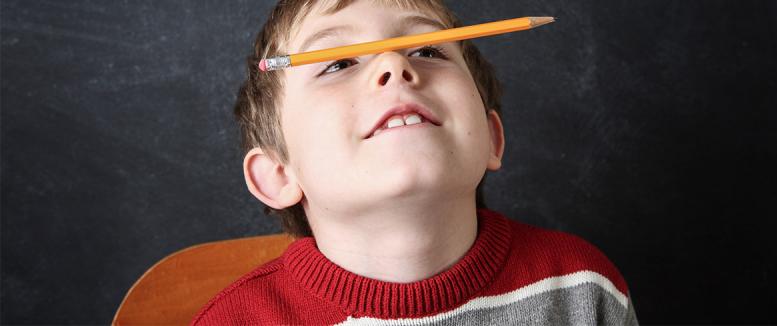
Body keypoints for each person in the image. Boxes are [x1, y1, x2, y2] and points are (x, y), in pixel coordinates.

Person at [191, 0, 639, 324]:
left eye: (428, 50)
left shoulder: (583, 288)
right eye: (337, 62)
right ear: (278, 174)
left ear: (491, 138)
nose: (393, 65)